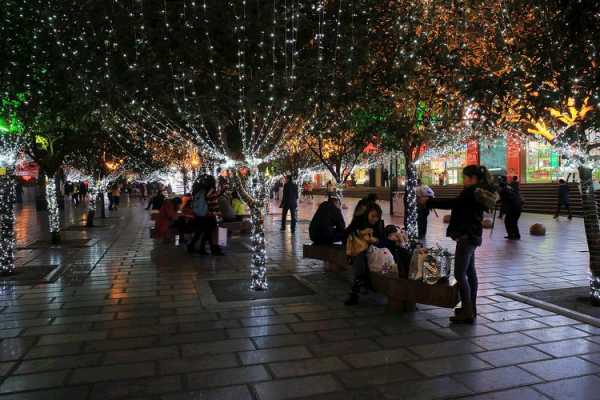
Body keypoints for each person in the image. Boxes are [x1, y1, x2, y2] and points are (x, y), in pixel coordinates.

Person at [420, 165, 498, 323]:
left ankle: (467, 311)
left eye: (465, 177)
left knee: (460, 274)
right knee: (470, 272)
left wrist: (429, 202)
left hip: (466, 236)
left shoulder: (472, 191)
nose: (464, 180)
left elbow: (453, 203)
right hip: (473, 235)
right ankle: (470, 308)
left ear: (473, 178)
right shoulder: (479, 191)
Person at [344, 202, 385, 306]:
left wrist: (374, 240)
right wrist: (359, 232)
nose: (375, 219)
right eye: (373, 216)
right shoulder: (359, 223)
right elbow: (346, 234)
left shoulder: (379, 224)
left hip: (374, 250)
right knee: (360, 259)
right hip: (358, 250)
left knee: (362, 259)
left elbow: (382, 240)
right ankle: (356, 292)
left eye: (377, 217)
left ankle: (356, 291)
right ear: (367, 214)